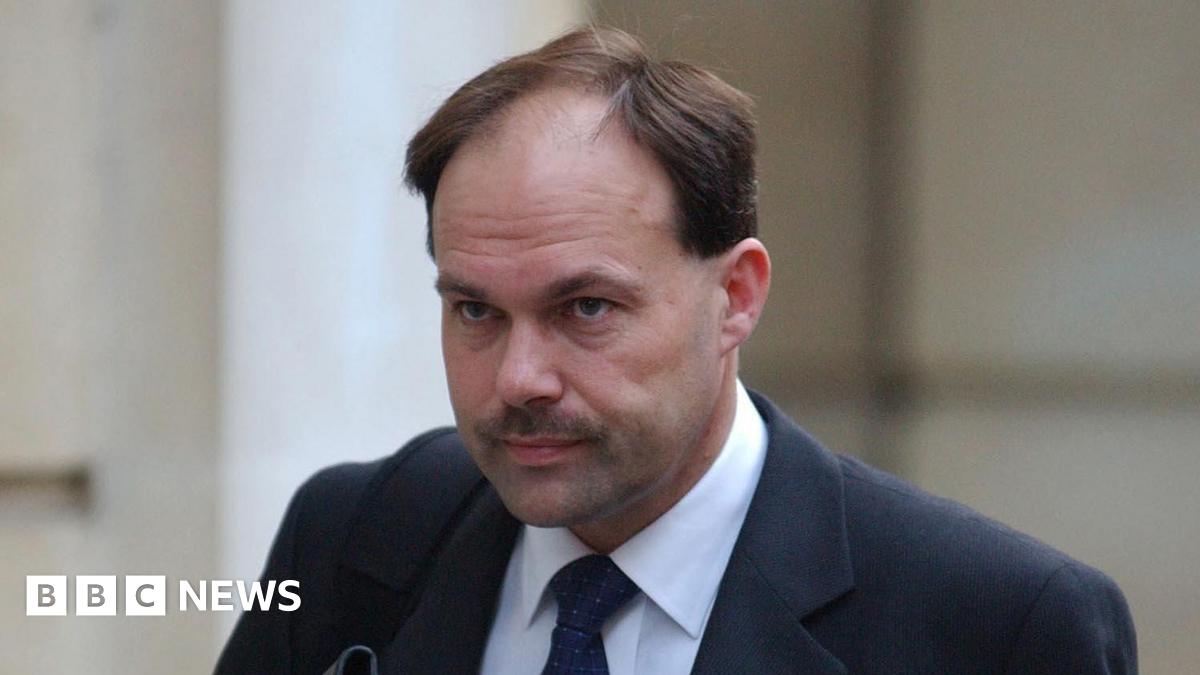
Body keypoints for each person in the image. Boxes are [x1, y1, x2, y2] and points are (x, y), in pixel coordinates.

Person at [216, 26, 1136, 675]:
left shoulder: (997, 624)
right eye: (474, 311)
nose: (517, 379)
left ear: (735, 296)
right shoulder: (350, 539)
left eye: (584, 307)